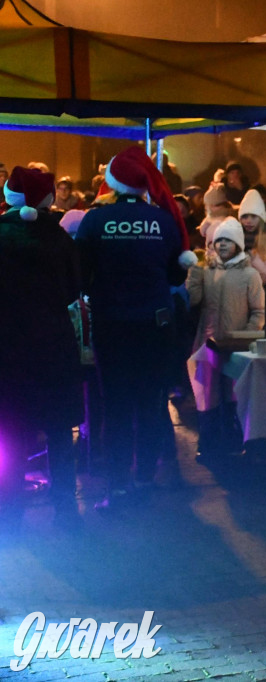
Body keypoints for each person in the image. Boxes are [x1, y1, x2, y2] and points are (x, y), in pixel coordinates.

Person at [75, 146, 197, 510]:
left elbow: (81, 274)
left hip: (112, 326)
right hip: (155, 326)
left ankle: (118, 486)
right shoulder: (162, 221)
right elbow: (175, 276)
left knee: (115, 406)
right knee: (149, 404)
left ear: (112, 183)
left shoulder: (95, 220)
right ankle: (144, 478)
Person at [0, 167, 83, 529]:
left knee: (12, 433)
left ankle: (10, 513)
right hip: (53, 345)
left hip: (9, 348)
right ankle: (66, 511)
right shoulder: (59, 237)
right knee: (59, 431)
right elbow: (73, 288)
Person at [185, 218, 265, 457]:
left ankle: (235, 441)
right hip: (208, 343)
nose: (221, 244)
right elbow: (194, 299)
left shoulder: (250, 274)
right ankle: (208, 442)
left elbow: (259, 310)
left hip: (236, 346)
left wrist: (246, 335)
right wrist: (194, 273)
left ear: (237, 244)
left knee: (234, 394)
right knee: (207, 395)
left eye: (227, 240)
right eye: (218, 240)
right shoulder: (206, 271)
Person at [199, 184, 234, 258]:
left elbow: (203, 232)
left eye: (208, 204)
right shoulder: (211, 220)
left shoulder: (218, 222)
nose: (206, 207)